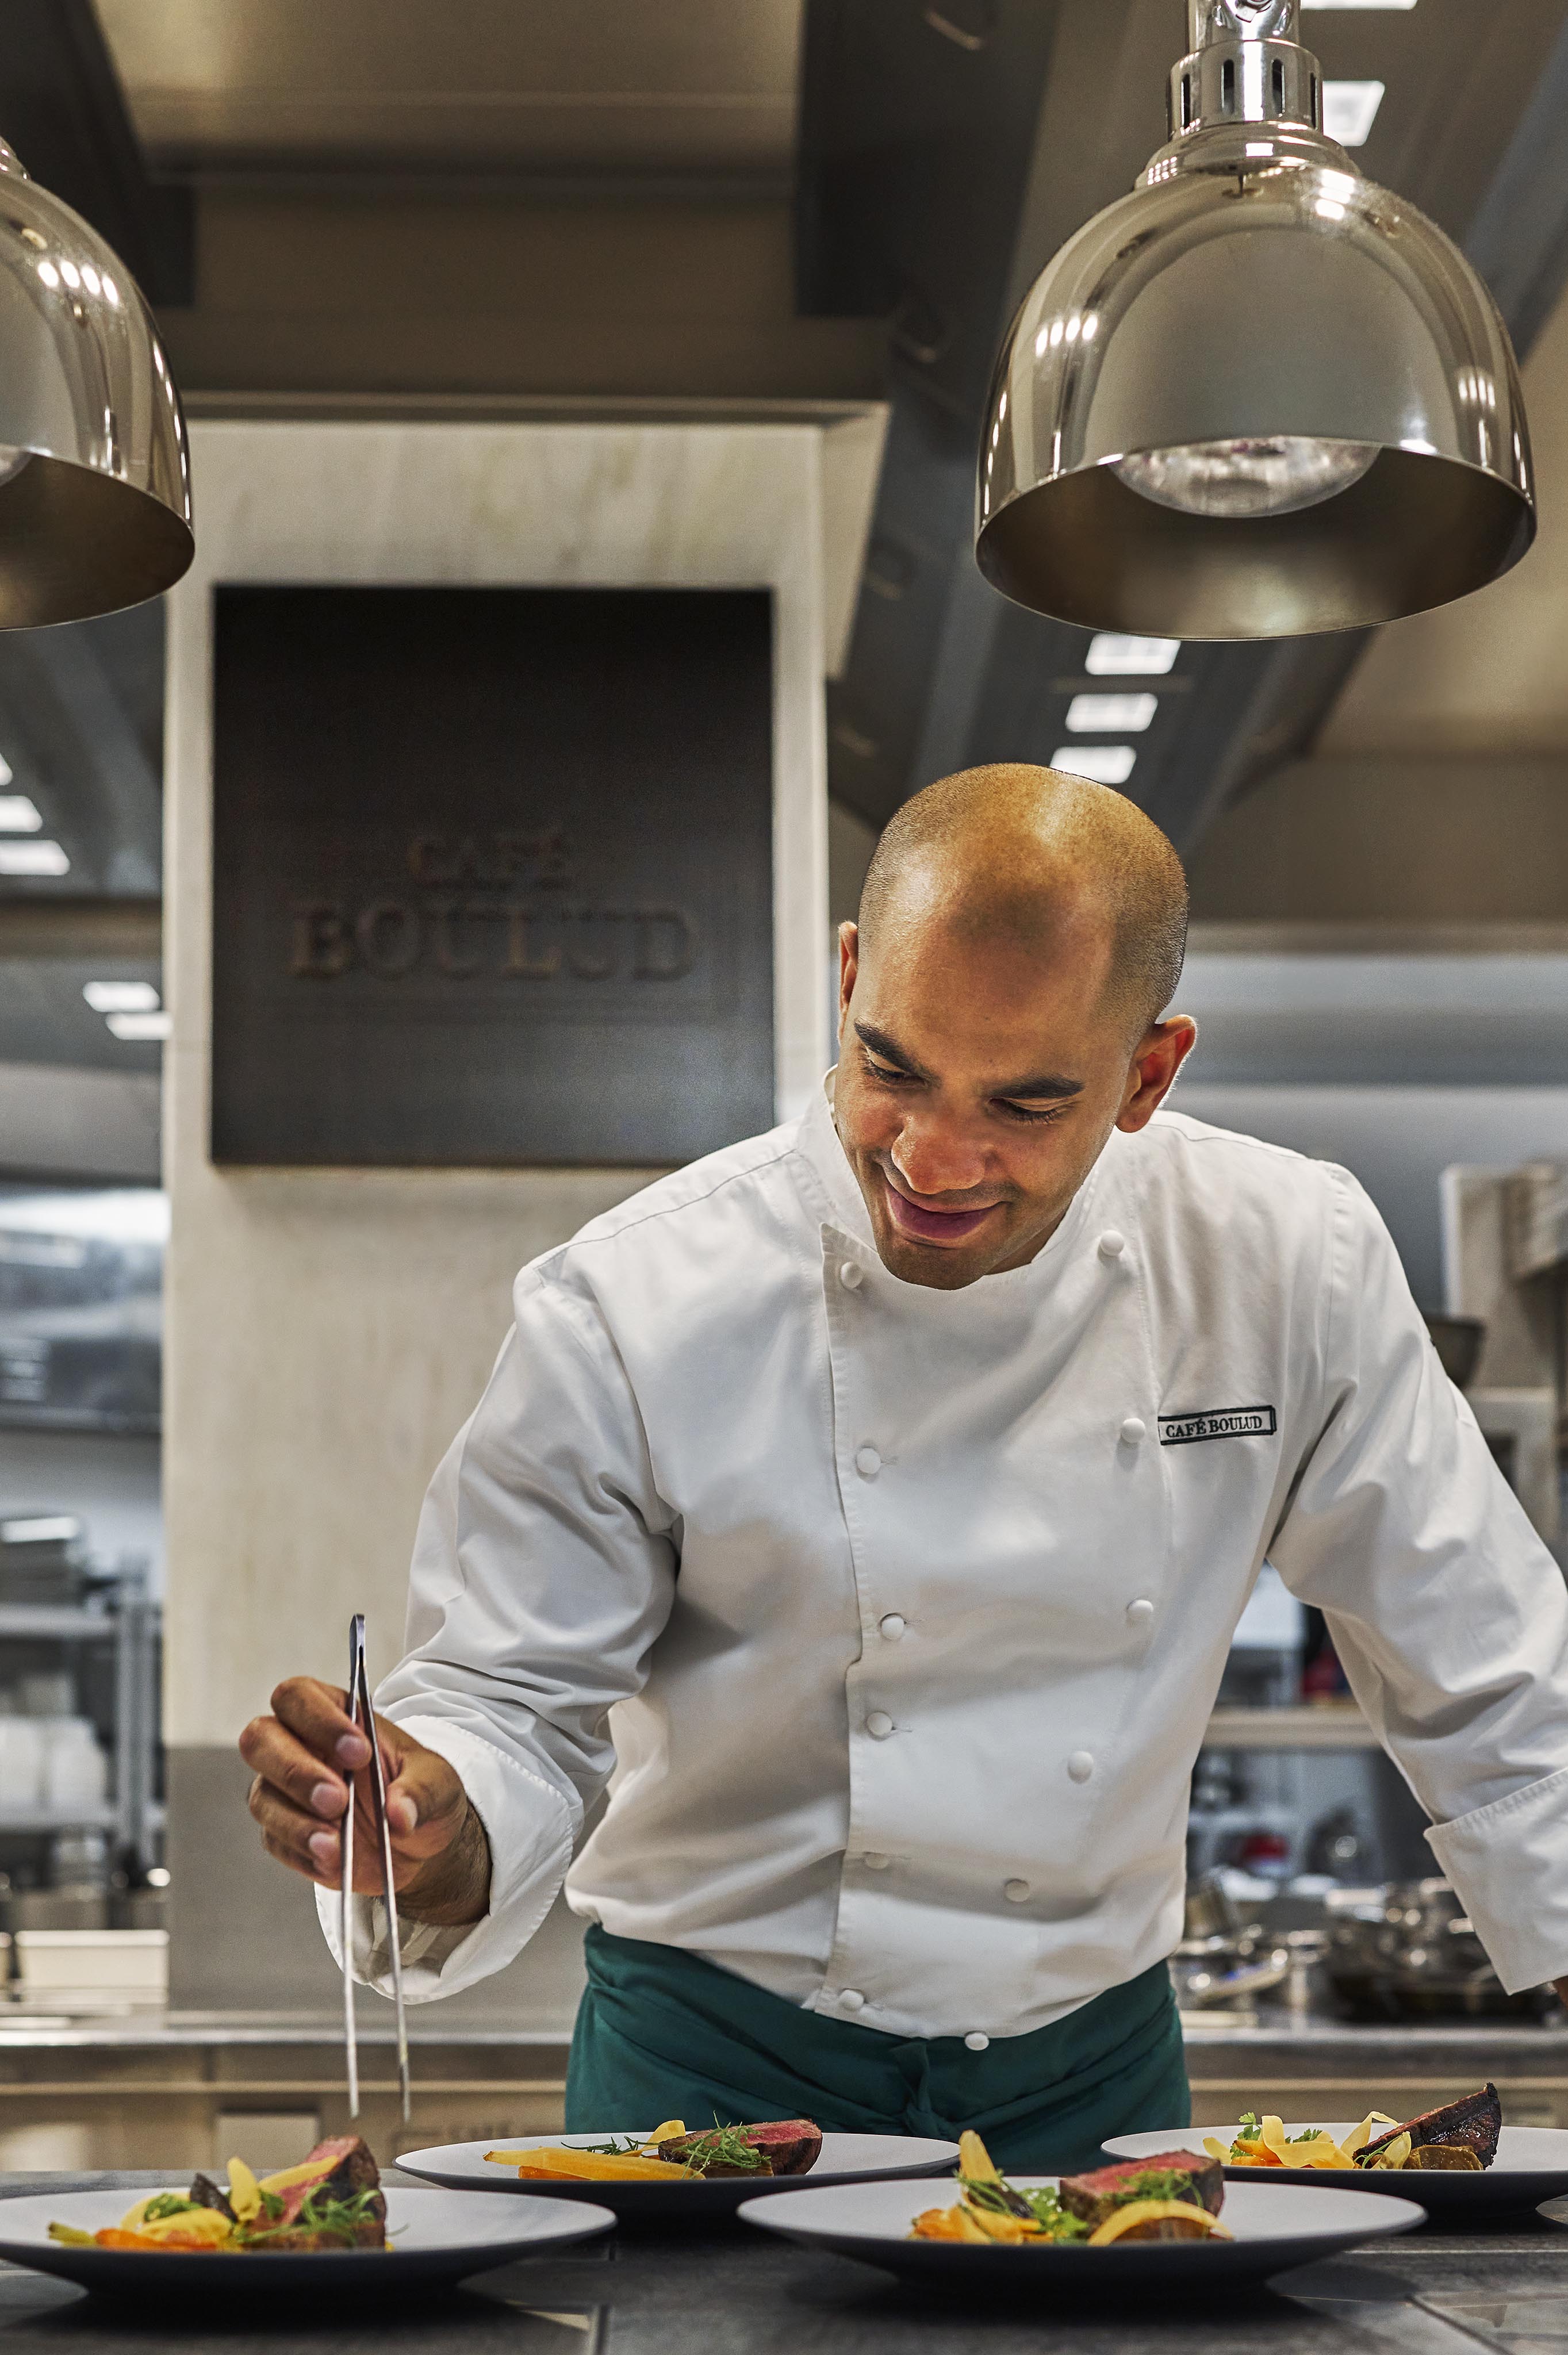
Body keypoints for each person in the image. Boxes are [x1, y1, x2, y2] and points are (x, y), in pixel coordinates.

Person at [241, 763, 1568, 2169]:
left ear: (1147, 1071)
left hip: (1091, 2082)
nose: (934, 1158)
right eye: (892, 1068)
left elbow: (1483, 1661)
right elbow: (509, 1696)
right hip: (711, 2081)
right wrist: (432, 1822)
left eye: (1025, 1101)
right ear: (850, 975)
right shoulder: (634, 1298)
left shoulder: (1282, 1255)